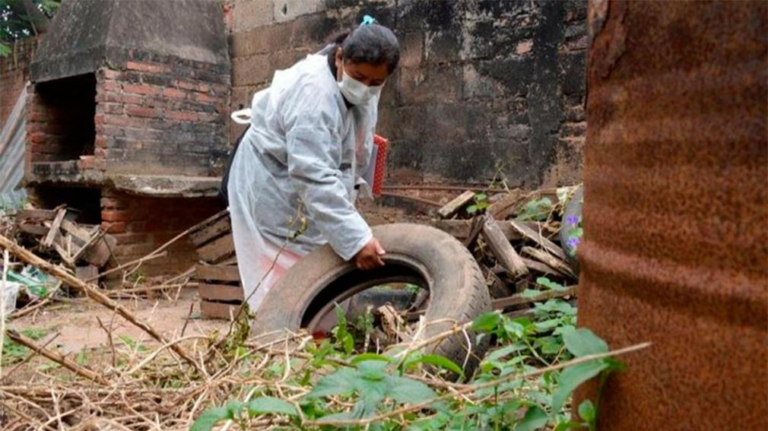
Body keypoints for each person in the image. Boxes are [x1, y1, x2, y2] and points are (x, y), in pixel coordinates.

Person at [227, 17, 400, 312]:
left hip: (306, 175)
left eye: (376, 82)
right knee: (283, 264)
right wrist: (356, 238)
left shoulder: (363, 84)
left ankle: (320, 327)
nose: (366, 88)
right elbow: (313, 174)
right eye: (359, 77)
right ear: (339, 57)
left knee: (322, 249)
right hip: (271, 181)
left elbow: (349, 145)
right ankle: (279, 334)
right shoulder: (313, 95)